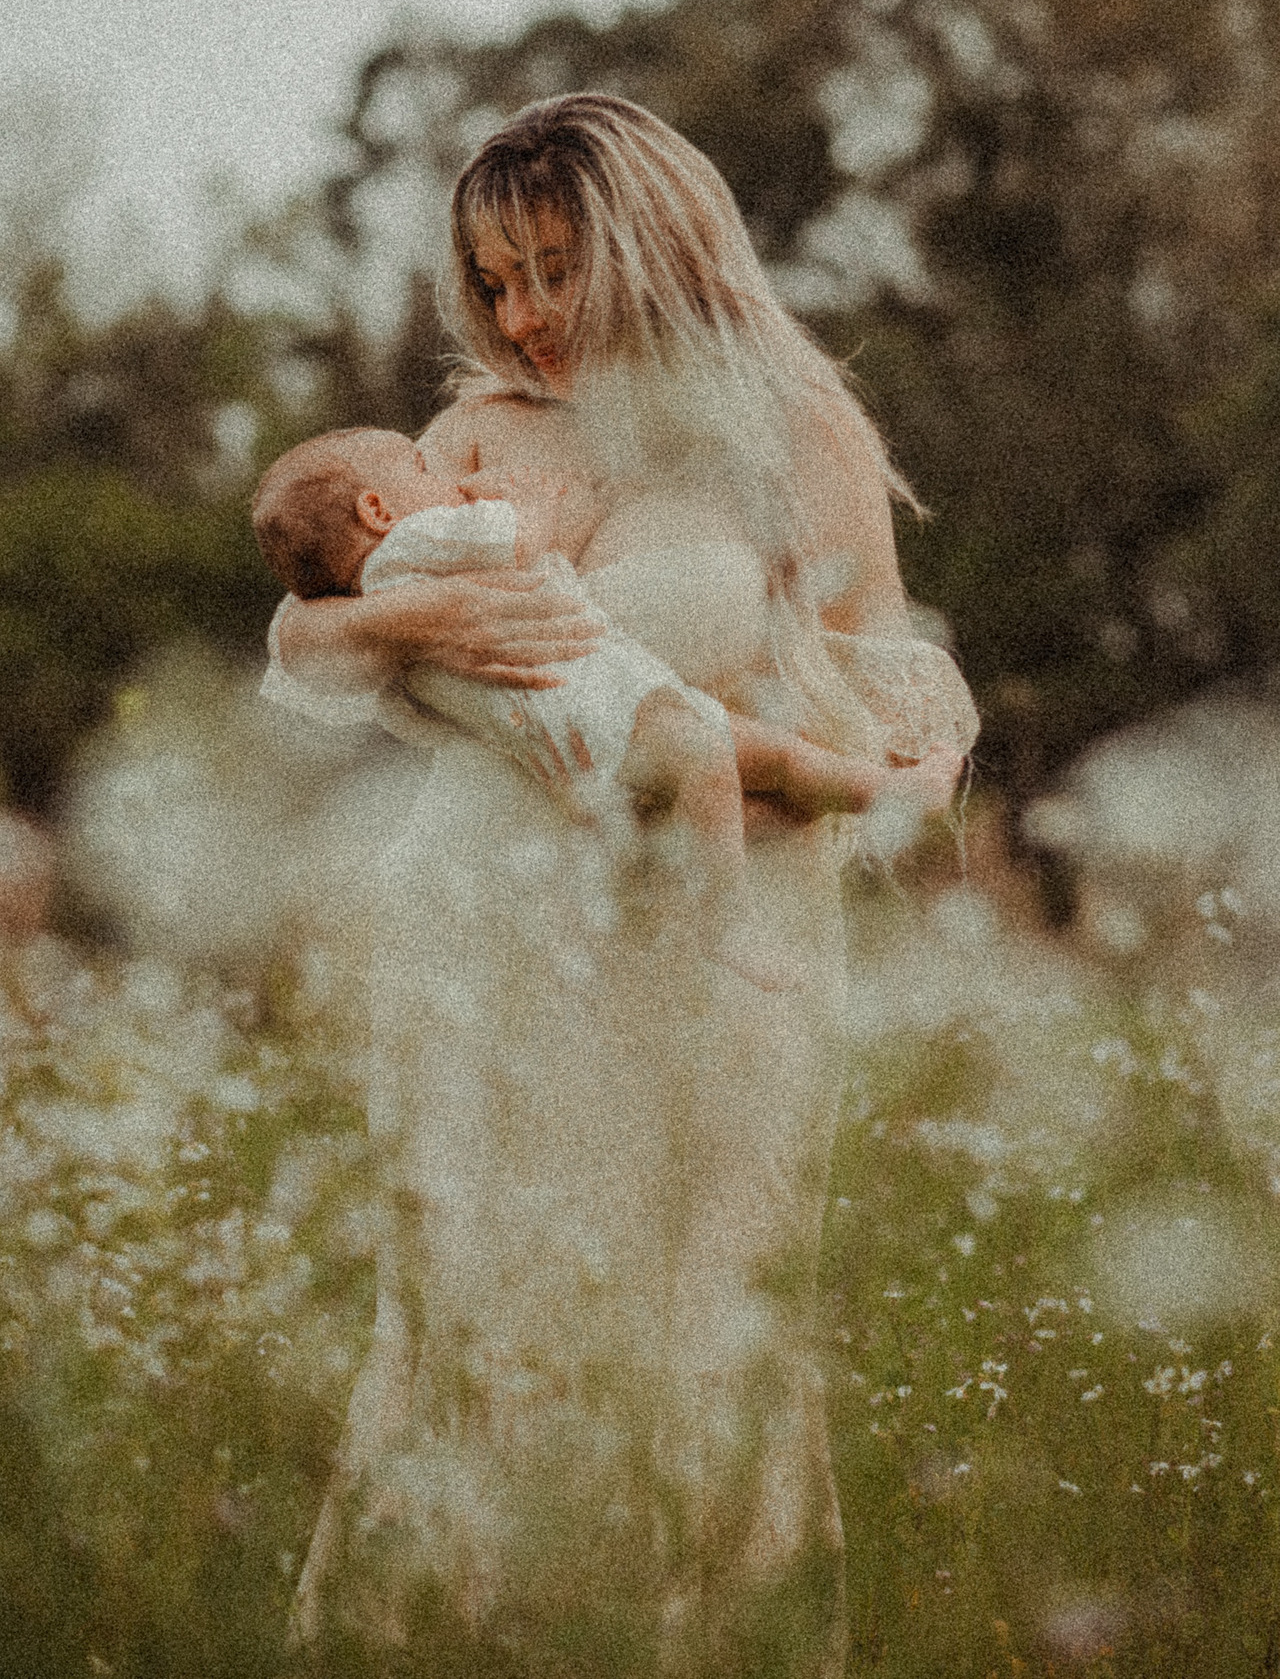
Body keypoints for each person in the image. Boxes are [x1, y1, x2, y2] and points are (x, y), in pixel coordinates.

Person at [264, 93, 978, 1677]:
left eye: (554, 269)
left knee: (705, 1328)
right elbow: (304, 635)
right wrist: (402, 631)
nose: (521, 315)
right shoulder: (468, 437)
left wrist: (810, 771)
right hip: (483, 932)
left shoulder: (797, 434)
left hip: (717, 947)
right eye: (494, 279)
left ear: (654, 242)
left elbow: (886, 698)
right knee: (472, 1316)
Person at [253, 425, 962, 991]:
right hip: (608, 715)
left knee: (764, 762)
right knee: (736, 760)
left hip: (602, 724)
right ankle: (728, 918)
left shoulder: (384, 571)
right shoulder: (416, 546)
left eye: (552, 275)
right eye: (422, 466)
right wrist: (528, 499)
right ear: (378, 511)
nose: (444, 477)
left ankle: (894, 795)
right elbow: (511, 543)